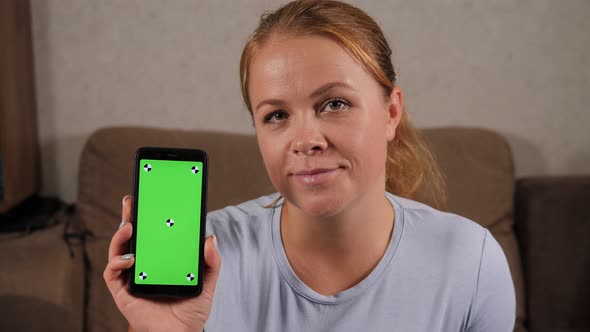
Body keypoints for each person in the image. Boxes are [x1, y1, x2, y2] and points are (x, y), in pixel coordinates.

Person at [104, 0, 516, 331]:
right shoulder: (199, 257)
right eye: (276, 116)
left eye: (334, 104)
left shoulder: (470, 263)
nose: (305, 140)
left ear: (391, 113)